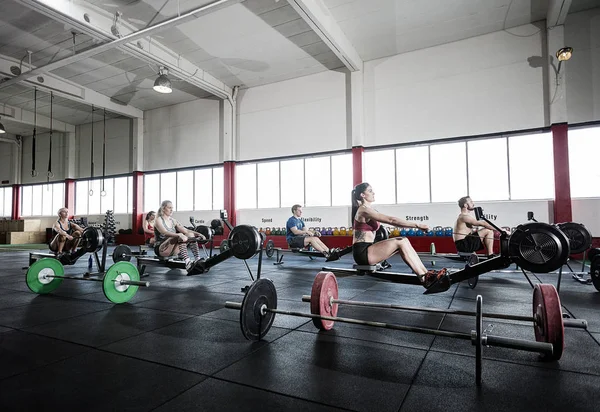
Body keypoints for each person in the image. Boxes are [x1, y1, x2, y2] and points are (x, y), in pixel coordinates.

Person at [351, 183, 447, 288]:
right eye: (370, 191)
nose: (373, 193)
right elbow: (391, 220)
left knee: (404, 240)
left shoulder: (369, 209)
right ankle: (424, 278)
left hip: (368, 248)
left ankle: (426, 274)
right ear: (362, 195)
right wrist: (417, 225)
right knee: (401, 241)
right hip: (362, 252)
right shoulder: (364, 210)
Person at [154, 200, 206, 272]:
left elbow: (186, 231)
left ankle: (197, 259)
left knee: (190, 234)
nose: (171, 210)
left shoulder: (173, 221)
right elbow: (164, 232)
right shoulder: (158, 220)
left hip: (173, 249)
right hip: (162, 249)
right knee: (178, 236)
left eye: (172, 208)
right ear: (163, 208)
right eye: (169, 208)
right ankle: (187, 262)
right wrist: (179, 235)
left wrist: (199, 234)